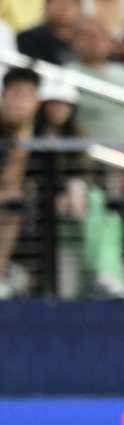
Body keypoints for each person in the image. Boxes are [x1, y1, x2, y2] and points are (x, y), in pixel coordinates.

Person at [34, 78, 124, 297]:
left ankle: (104, 274)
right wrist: (56, 193)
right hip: (42, 198)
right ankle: (99, 273)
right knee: (91, 200)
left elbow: (83, 174)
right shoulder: (32, 134)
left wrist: (70, 191)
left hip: (76, 201)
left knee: (108, 213)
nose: (58, 109)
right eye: (53, 103)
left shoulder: (78, 135)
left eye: (64, 104)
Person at [66, 16, 124, 143]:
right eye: (86, 35)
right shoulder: (65, 75)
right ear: (73, 43)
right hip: (96, 156)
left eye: (101, 34)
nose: (95, 40)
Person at [0, 67, 38, 299]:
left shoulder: (40, 128)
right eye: (17, 94)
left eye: (29, 95)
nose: (22, 102)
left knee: (12, 204)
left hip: (21, 201)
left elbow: (13, 181)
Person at [15, 0, 79, 65]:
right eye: (59, 2)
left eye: (69, 3)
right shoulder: (28, 39)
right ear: (47, 5)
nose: (64, 8)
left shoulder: (80, 45)